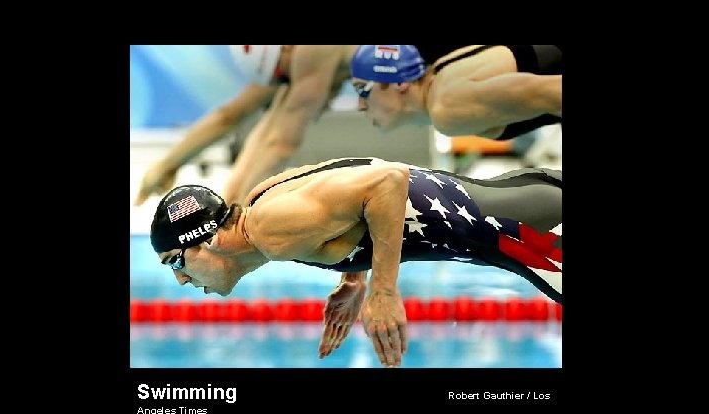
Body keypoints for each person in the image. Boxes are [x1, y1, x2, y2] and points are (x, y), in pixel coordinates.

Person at [149, 157, 562, 367]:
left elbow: (387, 181)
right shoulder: (264, 200)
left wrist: (383, 288)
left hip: (538, 231)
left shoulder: (268, 230)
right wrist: (353, 278)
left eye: (175, 262)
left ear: (203, 241)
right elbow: (355, 174)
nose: (182, 280)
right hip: (527, 209)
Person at [133, 45, 360, 207]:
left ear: (287, 49)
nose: (283, 81)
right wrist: (167, 165)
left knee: (284, 108)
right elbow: (230, 115)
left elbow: (281, 144)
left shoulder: (313, 52)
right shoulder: (284, 59)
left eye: (281, 74)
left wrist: (235, 220)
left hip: (394, 82)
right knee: (282, 104)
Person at [350, 45, 562, 140]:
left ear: (398, 82)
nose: (360, 105)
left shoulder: (446, 105)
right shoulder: (444, 73)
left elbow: (553, 93)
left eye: (362, 90)